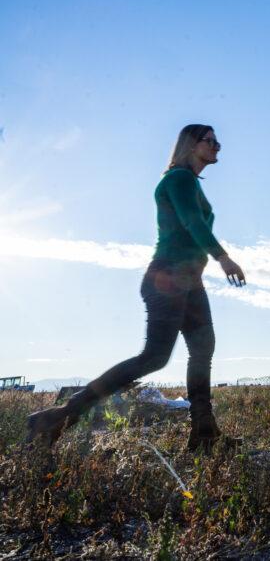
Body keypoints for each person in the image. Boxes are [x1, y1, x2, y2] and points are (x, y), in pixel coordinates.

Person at [26, 124, 247, 452]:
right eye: (210, 140)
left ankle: (204, 433)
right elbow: (192, 221)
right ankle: (58, 416)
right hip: (168, 279)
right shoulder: (179, 178)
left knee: (203, 349)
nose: (218, 146)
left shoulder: (187, 182)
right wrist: (223, 257)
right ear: (190, 144)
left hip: (188, 281)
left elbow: (192, 224)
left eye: (218, 140)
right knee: (154, 357)